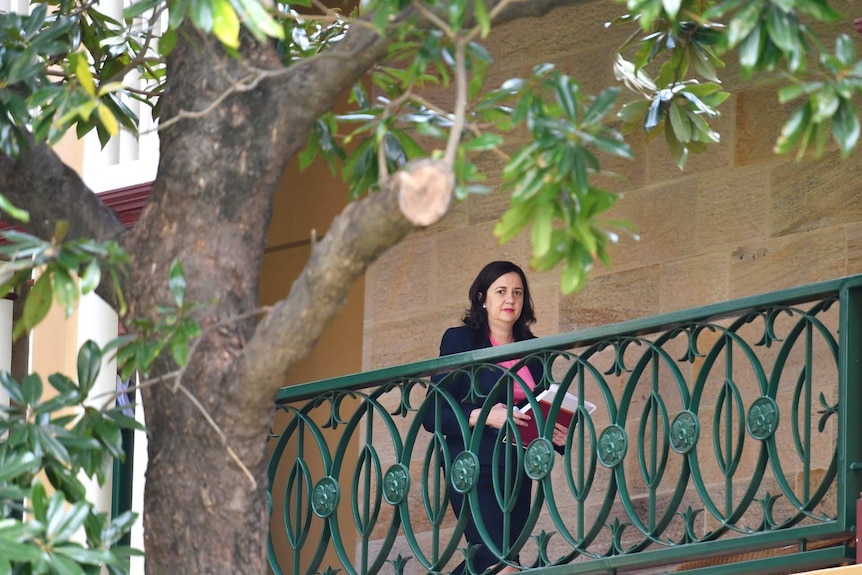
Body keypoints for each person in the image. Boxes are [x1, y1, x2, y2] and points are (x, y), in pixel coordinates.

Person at [422, 261, 566, 575]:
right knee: (498, 563)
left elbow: (539, 406)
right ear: (483, 298)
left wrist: (554, 430)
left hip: (518, 470)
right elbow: (433, 413)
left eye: (517, 292)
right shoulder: (459, 341)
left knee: (495, 564)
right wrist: (484, 415)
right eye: (501, 291)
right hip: (474, 466)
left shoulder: (535, 351)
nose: (510, 299)